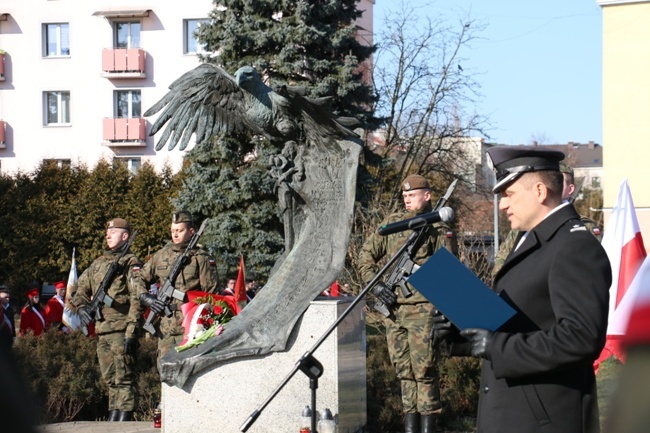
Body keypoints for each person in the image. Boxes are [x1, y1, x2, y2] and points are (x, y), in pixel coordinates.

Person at [434, 146, 611, 433]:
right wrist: (463, 333)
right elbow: (524, 320)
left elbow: (582, 337)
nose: (502, 205)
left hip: (546, 418)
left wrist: (497, 346)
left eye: (509, 194)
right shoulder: (531, 240)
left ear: (539, 191)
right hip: (515, 411)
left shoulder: (574, 245)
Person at [359, 174, 452, 433]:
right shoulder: (392, 224)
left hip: (422, 309)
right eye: (404, 195)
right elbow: (365, 257)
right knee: (403, 372)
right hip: (393, 311)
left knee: (424, 371)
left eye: (412, 195)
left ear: (427, 196)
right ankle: (410, 425)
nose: (406, 199)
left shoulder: (437, 227)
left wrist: (446, 233)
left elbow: (449, 268)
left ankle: (427, 426)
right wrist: (376, 286)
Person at [72, 218, 143, 422]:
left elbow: (137, 297)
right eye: (107, 232)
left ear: (125, 236)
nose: (108, 235)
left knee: (124, 377)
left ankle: (124, 417)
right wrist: (83, 307)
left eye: (114, 232)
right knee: (110, 378)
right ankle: (114, 415)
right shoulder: (98, 263)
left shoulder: (131, 262)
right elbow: (80, 290)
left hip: (121, 328)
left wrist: (132, 330)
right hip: (103, 330)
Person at [492, 159, 601, 276]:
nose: (554, 186)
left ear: (570, 189)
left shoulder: (582, 227)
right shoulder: (525, 225)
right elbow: (502, 261)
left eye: (559, 182)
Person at [137, 210, 219, 359]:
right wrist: (145, 297)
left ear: (191, 231)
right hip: (166, 329)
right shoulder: (161, 256)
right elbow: (138, 279)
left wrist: (205, 324)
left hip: (191, 326)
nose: (175, 235)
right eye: (173, 231)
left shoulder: (201, 258)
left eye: (179, 231)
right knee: (166, 371)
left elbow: (211, 294)